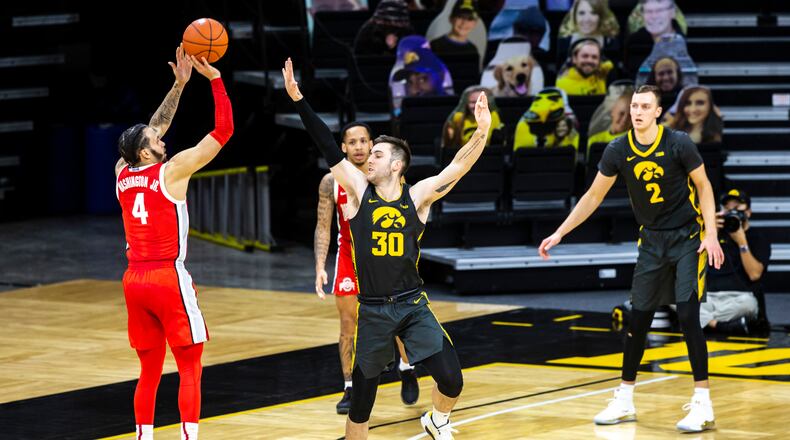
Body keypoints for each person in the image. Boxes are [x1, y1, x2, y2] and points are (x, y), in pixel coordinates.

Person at [284, 56, 491, 439]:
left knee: (452, 380)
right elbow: (328, 146)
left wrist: (483, 130)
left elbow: (457, 168)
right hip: (375, 312)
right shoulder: (359, 193)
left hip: (413, 305)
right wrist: (298, 99)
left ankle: (437, 420)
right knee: (361, 408)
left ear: (396, 165)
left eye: (377, 154)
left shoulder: (419, 197)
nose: (367, 158)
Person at [539, 84, 724, 433]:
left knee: (687, 314)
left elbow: (704, 186)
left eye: (645, 106)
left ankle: (703, 403)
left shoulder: (678, 142)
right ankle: (624, 398)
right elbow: (593, 197)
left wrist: (711, 233)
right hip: (651, 241)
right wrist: (560, 232)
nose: (637, 111)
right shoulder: (617, 150)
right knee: (638, 320)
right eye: (634, 105)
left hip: (687, 236)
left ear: (657, 112)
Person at [114, 46, 233, 440]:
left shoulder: (121, 172)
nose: (162, 138)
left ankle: (143, 437)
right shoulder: (174, 170)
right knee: (189, 366)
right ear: (147, 151)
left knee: (148, 369)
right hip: (168, 278)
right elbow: (223, 132)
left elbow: (153, 125)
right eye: (156, 140)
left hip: (134, 281)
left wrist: (179, 86)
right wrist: (214, 81)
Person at [313, 122, 419, 414]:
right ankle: (349, 387)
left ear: (372, 145)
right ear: (343, 147)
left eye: (364, 141)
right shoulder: (331, 182)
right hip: (349, 256)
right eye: (353, 142)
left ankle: (406, 367)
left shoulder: (384, 175)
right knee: (348, 326)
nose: (359, 147)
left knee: (395, 316)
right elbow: (323, 226)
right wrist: (320, 266)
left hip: (383, 255)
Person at [702, 189, 771, 334]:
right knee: (674, 296)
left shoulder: (758, 238)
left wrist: (742, 242)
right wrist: (709, 231)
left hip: (738, 299)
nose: (732, 212)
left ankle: (703, 321)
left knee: (749, 305)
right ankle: (720, 325)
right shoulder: (713, 233)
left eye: (737, 208)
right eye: (728, 208)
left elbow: (754, 274)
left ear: (748, 212)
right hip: (708, 298)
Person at [556, 0, 620, 65]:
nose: (587, 19)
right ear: (575, 16)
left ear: (601, 16)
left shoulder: (610, 42)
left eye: (593, 13)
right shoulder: (565, 41)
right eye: (581, 13)